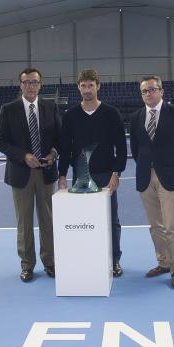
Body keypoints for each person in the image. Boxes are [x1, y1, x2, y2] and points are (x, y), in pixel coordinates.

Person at [58, 69, 127, 277]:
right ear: (78, 88)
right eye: (83, 85)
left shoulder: (111, 113)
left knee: (111, 220)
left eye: (91, 85)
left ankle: (114, 260)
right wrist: (62, 175)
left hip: (106, 176)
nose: (87, 89)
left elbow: (121, 147)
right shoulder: (70, 116)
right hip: (80, 178)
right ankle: (88, 259)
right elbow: (65, 148)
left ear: (98, 86)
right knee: (82, 221)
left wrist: (117, 173)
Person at [0, 68, 61, 282]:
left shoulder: (51, 107)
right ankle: (27, 265)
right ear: (20, 85)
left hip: (46, 173)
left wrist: (53, 153)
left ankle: (50, 262)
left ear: (40, 85)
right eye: (26, 82)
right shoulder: (9, 109)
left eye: (34, 82)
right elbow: (1, 142)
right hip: (20, 173)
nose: (30, 86)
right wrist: (24, 156)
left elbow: (60, 138)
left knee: (48, 220)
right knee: (24, 222)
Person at [129, 75, 174, 289]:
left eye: (152, 89)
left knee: (172, 226)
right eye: (144, 91)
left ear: (161, 91)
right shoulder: (137, 116)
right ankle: (163, 263)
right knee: (156, 226)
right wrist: (147, 167)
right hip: (145, 177)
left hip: (171, 177)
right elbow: (136, 150)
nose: (148, 93)